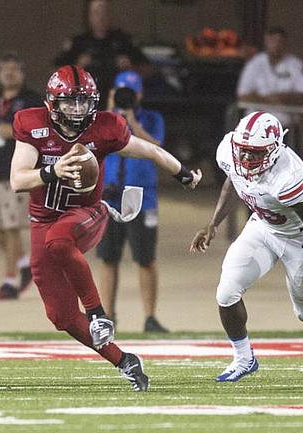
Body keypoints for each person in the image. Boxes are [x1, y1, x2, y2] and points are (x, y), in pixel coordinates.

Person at [10, 65, 202, 392]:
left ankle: (100, 314)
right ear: (51, 103)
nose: (77, 109)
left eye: (83, 102)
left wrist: (183, 172)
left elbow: (150, 150)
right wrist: (54, 170)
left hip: (87, 212)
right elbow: (18, 180)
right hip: (43, 220)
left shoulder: (105, 128)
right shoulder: (33, 125)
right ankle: (124, 360)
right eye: (69, 102)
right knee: (62, 317)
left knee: (60, 240)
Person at [190, 111, 303, 382]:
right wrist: (213, 223)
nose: (247, 159)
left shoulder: (288, 178)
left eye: (255, 153)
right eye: (244, 151)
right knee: (226, 292)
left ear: (275, 150)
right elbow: (234, 179)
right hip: (263, 227)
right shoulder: (230, 152)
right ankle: (243, 358)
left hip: (300, 236)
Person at [97, 70, 169, 333]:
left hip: (142, 197)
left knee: (146, 258)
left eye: (131, 93)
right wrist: (111, 113)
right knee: (108, 258)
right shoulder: (104, 120)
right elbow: (97, 141)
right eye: (119, 92)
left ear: (140, 95)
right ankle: (107, 315)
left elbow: (156, 148)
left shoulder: (152, 118)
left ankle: (150, 317)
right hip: (110, 197)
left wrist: (132, 123)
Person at [0, 53, 42, 301]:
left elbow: (42, 132)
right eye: (4, 69)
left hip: (15, 172)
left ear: (22, 73)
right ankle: (26, 264)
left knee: (11, 228)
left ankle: (10, 280)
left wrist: (15, 132)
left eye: (13, 69)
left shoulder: (31, 100)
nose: (8, 73)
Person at [235, 26, 303, 149]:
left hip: (285, 128)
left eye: (279, 41)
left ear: (285, 43)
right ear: (266, 41)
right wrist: (268, 99)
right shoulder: (254, 64)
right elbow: (242, 95)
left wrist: (283, 97)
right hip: (256, 129)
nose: (275, 45)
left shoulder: (295, 64)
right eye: (272, 41)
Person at [55, 0, 145, 104]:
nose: (100, 17)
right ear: (88, 16)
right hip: (84, 101)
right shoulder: (78, 43)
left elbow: (147, 68)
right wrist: (78, 66)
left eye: (104, 12)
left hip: (118, 99)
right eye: (96, 13)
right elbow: (57, 75)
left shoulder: (123, 40)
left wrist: (129, 68)